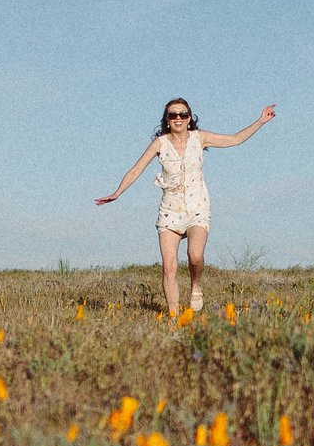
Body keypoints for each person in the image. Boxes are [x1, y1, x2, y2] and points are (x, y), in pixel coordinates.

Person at [97, 97, 276, 318]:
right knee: (169, 267)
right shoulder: (159, 144)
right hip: (170, 210)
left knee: (195, 256)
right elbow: (136, 170)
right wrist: (117, 192)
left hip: (197, 206)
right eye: (173, 115)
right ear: (167, 120)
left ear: (189, 118)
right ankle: (173, 318)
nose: (178, 118)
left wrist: (260, 121)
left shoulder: (200, 138)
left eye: (183, 114)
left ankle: (196, 286)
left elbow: (236, 139)